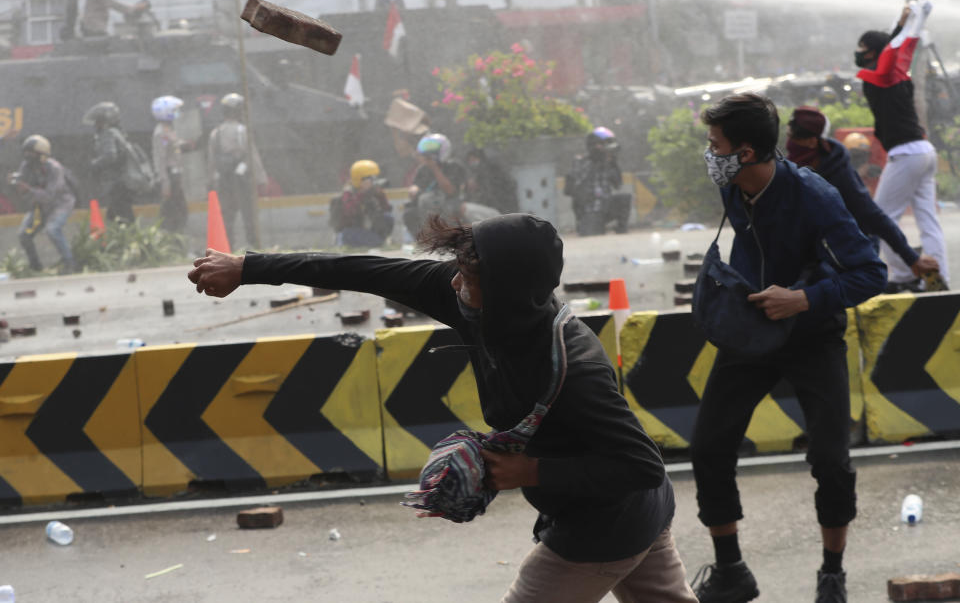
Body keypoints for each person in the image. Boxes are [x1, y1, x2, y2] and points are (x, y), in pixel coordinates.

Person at [188, 213, 698, 602]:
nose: (454, 283)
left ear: (508, 288)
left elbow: (640, 464)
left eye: (468, 275)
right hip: (631, 516)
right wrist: (248, 268)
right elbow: (366, 271)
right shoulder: (472, 301)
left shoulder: (574, 368)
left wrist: (531, 470)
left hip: (608, 525)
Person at [690, 94, 886, 603]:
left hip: (812, 334)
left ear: (747, 151)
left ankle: (832, 573)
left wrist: (802, 298)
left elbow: (871, 273)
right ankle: (731, 571)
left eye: (716, 145)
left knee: (831, 459)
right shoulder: (732, 184)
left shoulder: (813, 196)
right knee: (708, 447)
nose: (709, 154)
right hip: (750, 332)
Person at [786, 106, 940, 290]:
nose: (790, 143)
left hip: (851, 247)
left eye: (794, 138)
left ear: (812, 141)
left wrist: (911, 258)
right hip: (812, 251)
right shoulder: (788, 170)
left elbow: (871, 214)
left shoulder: (838, 172)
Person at [856, 1, 949, 291]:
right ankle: (938, 275)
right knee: (928, 220)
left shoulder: (878, 77)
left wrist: (906, 23)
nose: (857, 52)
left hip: (906, 154)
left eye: (861, 47)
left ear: (872, 52)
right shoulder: (899, 74)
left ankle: (906, 275)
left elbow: (891, 51)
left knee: (881, 221)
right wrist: (907, 22)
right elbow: (897, 49)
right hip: (924, 151)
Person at [207, 93, 267, 248]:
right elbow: (251, 155)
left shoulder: (216, 133)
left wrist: (212, 181)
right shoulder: (242, 131)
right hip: (241, 178)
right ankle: (255, 244)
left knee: (227, 213)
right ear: (237, 111)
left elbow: (212, 160)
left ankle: (229, 246)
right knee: (248, 212)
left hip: (224, 178)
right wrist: (261, 179)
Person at [11, 135, 77, 274]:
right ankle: (36, 266)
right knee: (24, 234)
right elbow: (23, 186)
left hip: (60, 204)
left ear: (41, 154)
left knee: (52, 229)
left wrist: (29, 189)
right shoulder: (26, 166)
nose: (27, 156)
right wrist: (16, 183)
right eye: (26, 152)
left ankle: (70, 263)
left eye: (31, 152)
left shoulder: (54, 168)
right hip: (39, 206)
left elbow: (50, 195)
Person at [565, 127, 632, 236]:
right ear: (593, 145)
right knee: (593, 235)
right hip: (590, 209)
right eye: (602, 145)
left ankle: (621, 230)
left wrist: (613, 163)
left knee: (624, 199)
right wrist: (596, 161)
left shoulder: (608, 163)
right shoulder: (581, 162)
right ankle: (585, 225)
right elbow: (570, 188)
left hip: (606, 205)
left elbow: (617, 184)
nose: (604, 148)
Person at [402, 133, 467, 237]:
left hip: (450, 201)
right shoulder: (423, 169)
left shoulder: (454, 166)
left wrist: (435, 168)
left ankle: (451, 236)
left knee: (448, 209)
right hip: (428, 202)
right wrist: (413, 189)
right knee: (410, 213)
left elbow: (450, 190)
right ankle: (425, 240)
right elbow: (417, 185)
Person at [84, 100, 133, 222]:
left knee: (119, 215)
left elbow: (110, 155)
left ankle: (127, 239)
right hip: (123, 181)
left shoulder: (108, 134)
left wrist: (94, 164)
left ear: (105, 121)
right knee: (119, 213)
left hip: (116, 182)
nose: (96, 124)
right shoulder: (118, 133)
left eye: (98, 121)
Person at [333, 159, 394, 247]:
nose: (373, 181)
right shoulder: (349, 191)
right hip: (352, 229)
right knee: (350, 235)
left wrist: (380, 195)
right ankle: (379, 242)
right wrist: (363, 193)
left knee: (388, 217)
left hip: (369, 228)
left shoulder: (373, 191)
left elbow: (387, 209)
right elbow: (350, 211)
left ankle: (380, 240)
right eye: (370, 178)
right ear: (359, 179)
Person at [151, 95, 188, 232]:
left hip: (175, 175)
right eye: (175, 110)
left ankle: (176, 241)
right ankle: (173, 242)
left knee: (179, 211)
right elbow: (160, 158)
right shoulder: (161, 133)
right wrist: (165, 183)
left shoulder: (168, 130)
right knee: (174, 212)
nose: (177, 113)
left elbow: (174, 145)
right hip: (170, 176)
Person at [464, 147, 519, 215]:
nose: (472, 163)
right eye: (470, 161)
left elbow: (491, 191)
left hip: (503, 205)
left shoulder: (490, 170)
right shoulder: (480, 173)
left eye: (473, 159)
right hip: (499, 207)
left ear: (480, 159)